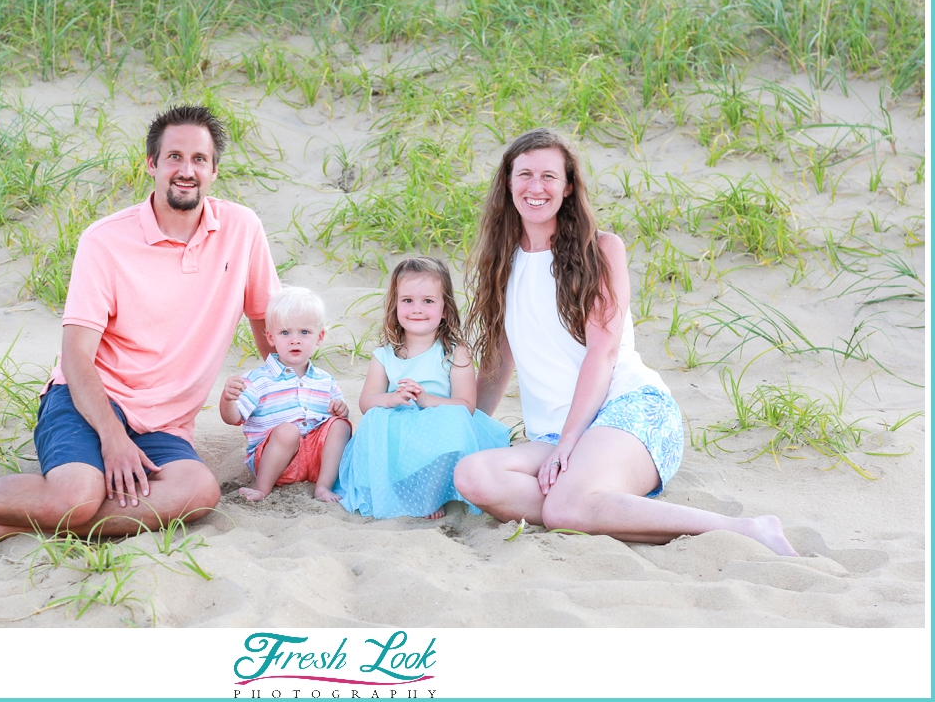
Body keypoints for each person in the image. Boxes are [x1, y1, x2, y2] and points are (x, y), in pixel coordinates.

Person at [0, 105, 279, 555]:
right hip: (87, 398)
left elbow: (266, 318)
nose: (186, 170)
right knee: (76, 495)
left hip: (165, 423)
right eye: (174, 157)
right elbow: (76, 356)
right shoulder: (105, 241)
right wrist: (113, 440)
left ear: (213, 170)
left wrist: (294, 399)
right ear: (152, 164)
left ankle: (17, 521)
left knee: (198, 491)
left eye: (198, 160)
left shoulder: (241, 229)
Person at [453, 128, 798, 556]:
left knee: (564, 509)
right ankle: (588, 504)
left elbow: (604, 352)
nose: (535, 187)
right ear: (508, 183)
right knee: (471, 476)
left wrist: (569, 443)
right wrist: (458, 423)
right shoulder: (505, 262)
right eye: (524, 175)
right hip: (553, 432)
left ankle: (746, 528)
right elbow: (499, 362)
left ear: (567, 186)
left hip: (628, 413)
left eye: (549, 176)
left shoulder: (601, 249)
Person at [336, 257, 511, 520]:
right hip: (399, 424)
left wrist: (427, 399)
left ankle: (430, 494)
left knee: (454, 420)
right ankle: (402, 490)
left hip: (436, 421)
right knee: (374, 419)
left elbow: (466, 405)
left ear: (445, 310)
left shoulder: (455, 353)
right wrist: (392, 398)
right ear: (395, 307)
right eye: (407, 301)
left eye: (428, 301)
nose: (417, 308)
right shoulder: (384, 356)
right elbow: (366, 402)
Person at [219, 286, 351, 503]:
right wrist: (228, 399)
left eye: (304, 332)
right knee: (288, 431)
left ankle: (324, 487)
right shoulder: (258, 380)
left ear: (320, 337)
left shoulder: (325, 381)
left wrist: (340, 409)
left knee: (340, 425)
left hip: (315, 461)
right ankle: (262, 488)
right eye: (285, 332)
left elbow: (337, 415)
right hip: (276, 462)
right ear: (271, 337)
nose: (295, 340)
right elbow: (232, 418)